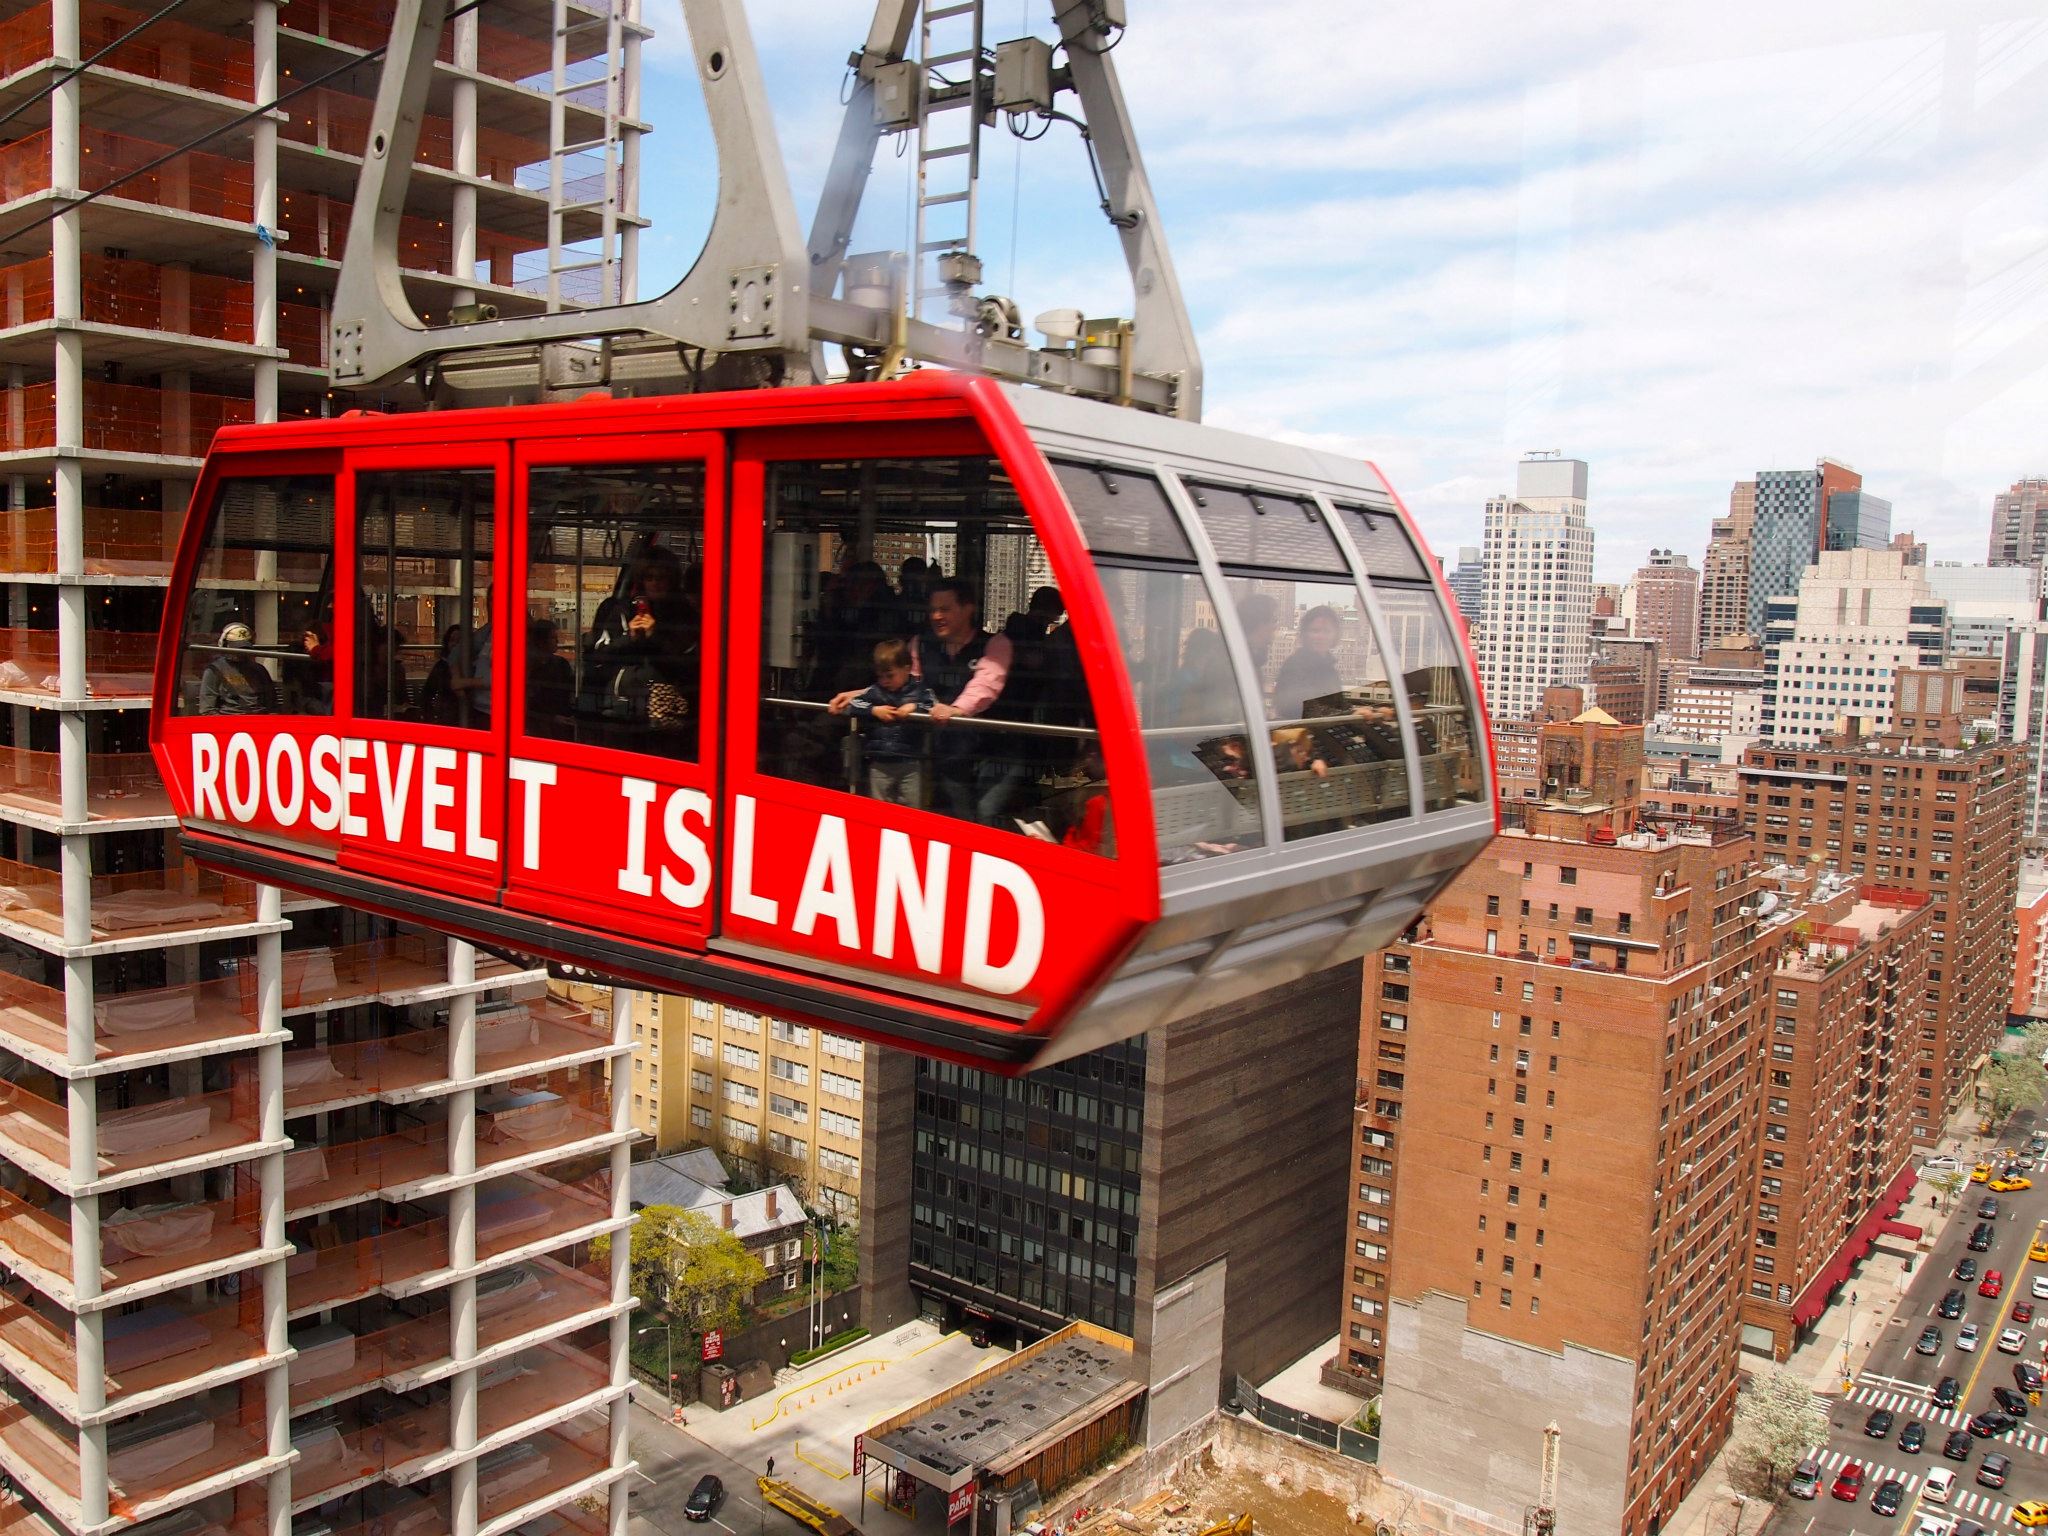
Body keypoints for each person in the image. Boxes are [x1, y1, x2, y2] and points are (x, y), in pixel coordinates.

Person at [833, 578, 1011, 826]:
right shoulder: (920, 644)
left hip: (992, 750)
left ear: (969, 608)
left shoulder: (996, 644)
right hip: (942, 750)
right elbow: (905, 685)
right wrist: (859, 694)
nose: (936, 616)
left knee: (982, 815)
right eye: (933, 610)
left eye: (945, 609)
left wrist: (955, 709)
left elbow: (984, 686)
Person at [829, 638, 934, 806]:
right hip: (880, 762)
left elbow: (933, 707)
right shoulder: (875, 691)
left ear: (907, 668)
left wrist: (914, 707)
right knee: (879, 807)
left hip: (910, 761)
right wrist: (874, 710)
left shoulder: (920, 690)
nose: (884, 680)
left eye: (890, 675)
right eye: (880, 676)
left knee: (912, 810)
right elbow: (854, 703)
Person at [199, 623, 277, 714]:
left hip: (259, 720)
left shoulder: (259, 670)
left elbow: (272, 706)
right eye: (236, 648)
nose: (240, 653)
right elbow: (207, 709)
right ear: (225, 645)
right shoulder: (214, 670)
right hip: (229, 720)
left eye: (244, 648)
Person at [526, 618, 577, 731]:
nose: (557, 641)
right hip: (541, 726)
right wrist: (551, 718)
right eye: (553, 638)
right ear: (541, 641)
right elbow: (531, 703)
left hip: (562, 721)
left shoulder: (561, 664)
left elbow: (568, 694)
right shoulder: (531, 668)